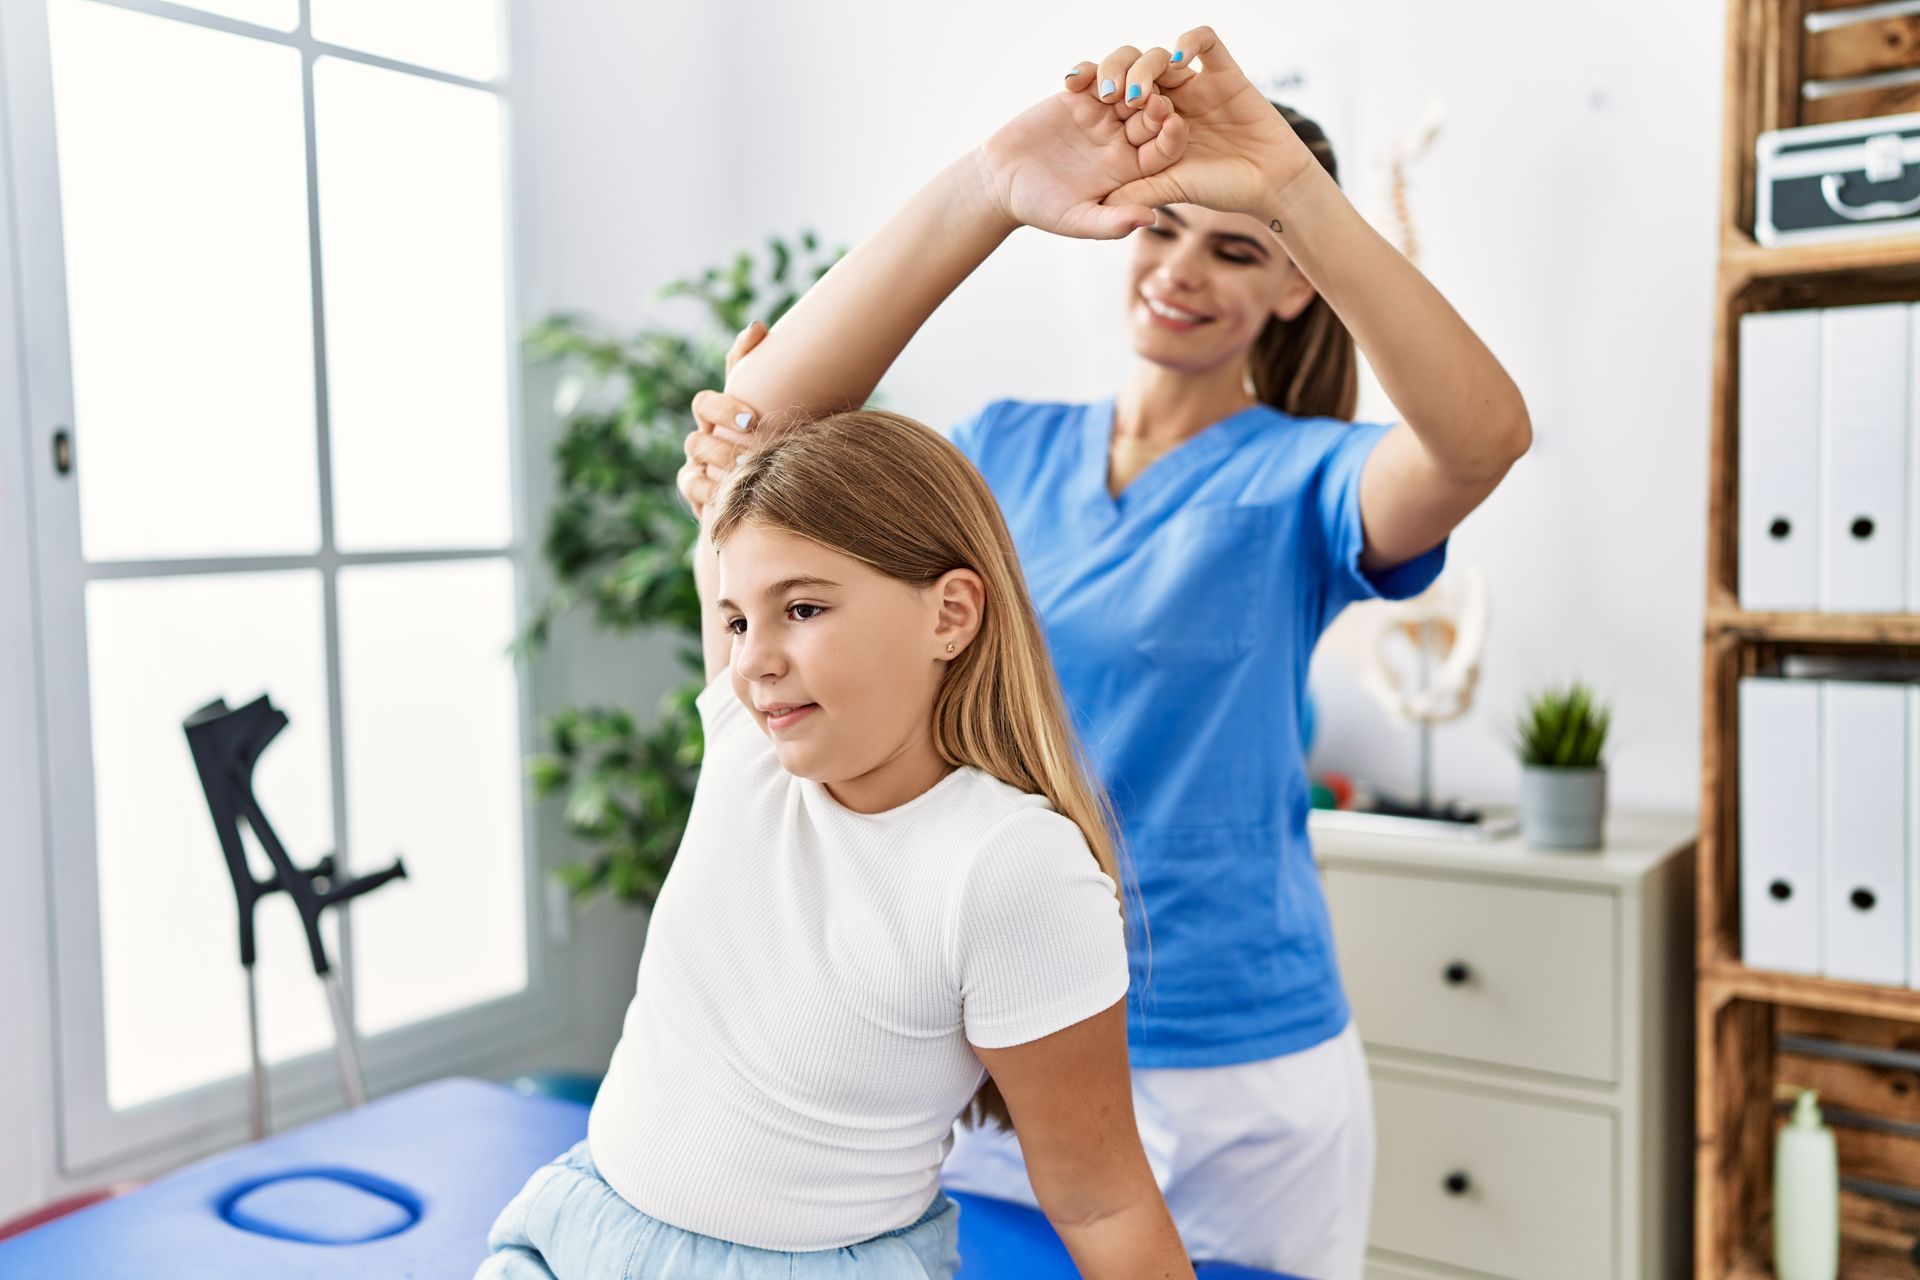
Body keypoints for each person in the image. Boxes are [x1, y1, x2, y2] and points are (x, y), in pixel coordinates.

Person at [680, 28, 1531, 1278]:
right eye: (1165, 228)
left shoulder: (1304, 476)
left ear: (1292, 286)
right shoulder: (1000, 448)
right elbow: (761, 454)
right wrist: (989, 190)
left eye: (1236, 247)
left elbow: (1479, 443)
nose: (1184, 269)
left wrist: (1295, 191)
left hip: (1242, 1059)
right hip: (996, 1037)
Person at [478, 365, 1193, 1271]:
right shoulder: (748, 746)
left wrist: (993, 209)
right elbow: (762, 413)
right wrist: (982, 208)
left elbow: (1102, 1202)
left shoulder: (1009, 865)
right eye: (736, 620)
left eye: (804, 608)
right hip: (585, 1229)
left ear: (952, 614)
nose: (752, 661)